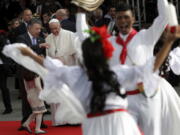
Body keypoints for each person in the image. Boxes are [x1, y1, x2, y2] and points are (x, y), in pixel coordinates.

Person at [4, 25, 180, 135]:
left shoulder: (113, 73)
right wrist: (168, 43)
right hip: (100, 124)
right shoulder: (110, 73)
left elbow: (151, 68)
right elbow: (151, 67)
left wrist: (168, 43)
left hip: (115, 123)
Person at [108, 1, 180, 135]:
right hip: (122, 100)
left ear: (133, 19)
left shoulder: (146, 36)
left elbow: (164, 16)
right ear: (115, 19)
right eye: (119, 17)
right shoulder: (110, 43)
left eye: (126, 17)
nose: (123, 21)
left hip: (147, 97)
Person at [45, 18, 81, 126]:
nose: (55, 31)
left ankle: (73, 120)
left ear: (60, 26)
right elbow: (48, 56)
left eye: (56, 28)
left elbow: (77, 53)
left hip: (69, 69)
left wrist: (65, 59)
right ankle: (61, 120)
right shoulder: (48, 38)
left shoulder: (70, 34)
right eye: (52, 29)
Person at [16, 18, 49, 132]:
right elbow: (24, 50)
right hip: (24, 72)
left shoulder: (41, 39)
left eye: (40, 28)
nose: (39, 31)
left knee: (39, 96)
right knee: (27, 98)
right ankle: (25, 122)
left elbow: (43, 54)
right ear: (29, 28)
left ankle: (40, 123)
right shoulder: (21, 38)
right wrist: (39, 47)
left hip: (38, 72)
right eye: (36, 28)